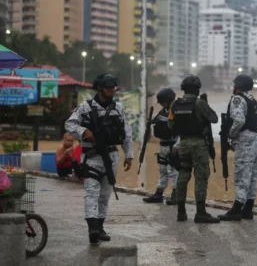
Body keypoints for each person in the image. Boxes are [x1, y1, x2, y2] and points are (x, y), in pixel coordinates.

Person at [65, 73, 133, 244]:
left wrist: (129, 155)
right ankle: (92, 228)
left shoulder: (118, 108)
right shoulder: (85, 107)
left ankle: (100, 226)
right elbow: (69, 124)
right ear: (100, 88)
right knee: (91, 192)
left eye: (113, 87)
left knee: (105, 195)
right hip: (91, 156)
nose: (112, 90)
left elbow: (127, 132)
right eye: (109, 87)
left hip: (111, 156)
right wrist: (83, 132)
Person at [168, 74, 220, 223]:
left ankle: (181, 212)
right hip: (198, 144)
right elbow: (214, 118)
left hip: (183, 144)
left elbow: (170, 126)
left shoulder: (174, 105)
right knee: (201, 176)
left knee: (183, 175)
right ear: (197, 89)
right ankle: (200, 212)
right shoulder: (199, 103)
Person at [218, 74, 257, 221]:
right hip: (254, 140)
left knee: (242, 175)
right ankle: (248, 209)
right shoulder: (252, 99)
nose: (233, 87)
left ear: (239, 86)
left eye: (235, 84)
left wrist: (230, 134)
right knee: (252, 175)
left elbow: (239, 120)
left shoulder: (238, 99)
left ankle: (237, 208)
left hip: (244, 140)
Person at [143, 87, 179, 205]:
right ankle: (159, 193)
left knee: (172, 170)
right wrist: (150, 122)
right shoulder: (164, 111)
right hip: (163, 144)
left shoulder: (176, 111)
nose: (162, 104)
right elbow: (156, 120)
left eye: (163, 102)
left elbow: (181, 130)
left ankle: (176, 194)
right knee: (163, 170)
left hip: (172, 146)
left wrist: (177, 146)